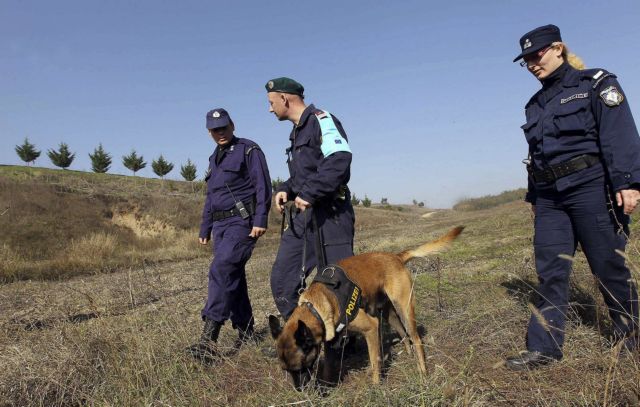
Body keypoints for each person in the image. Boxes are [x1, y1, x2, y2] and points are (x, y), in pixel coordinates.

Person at [506, 24, 640, 370]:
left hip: (591, 187)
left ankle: (631, 337)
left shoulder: (595, 83)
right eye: (527, 61)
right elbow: (538, 154)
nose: (533, 63)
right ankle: (544, 348)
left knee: (608, 266)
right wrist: (534, 198)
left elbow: (619, 133)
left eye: (537, 55)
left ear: (558, 48)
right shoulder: (534, 104)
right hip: (550, 198)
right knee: (551, 270)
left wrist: (628, 182)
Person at [265, 77, 355, 319]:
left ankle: (344, 342)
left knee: (337, 281)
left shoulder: (321, 120)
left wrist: (309, 192)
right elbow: (302, 176)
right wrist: (286, 188)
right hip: (306, 217)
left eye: (272, 102)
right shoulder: (296, 133)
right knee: (283, 278)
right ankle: (303, 335)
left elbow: (339, 160)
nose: (269, 108)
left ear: (284, 98)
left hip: (332, 215)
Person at [187, 108, 272, 360]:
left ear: (232, 126)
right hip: (221, 227)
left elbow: (263, 186)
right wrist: (205, 227)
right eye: (214, 129)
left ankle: (208, 340)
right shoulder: (214, 158)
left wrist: (260, 219)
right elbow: (211, 198)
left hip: (242, 223)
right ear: (209, 132)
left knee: (221, 269)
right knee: (233, 276)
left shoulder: (248, 150)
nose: (220, 132)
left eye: (223, 127)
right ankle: (246, 332)